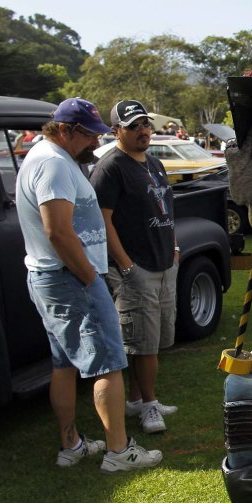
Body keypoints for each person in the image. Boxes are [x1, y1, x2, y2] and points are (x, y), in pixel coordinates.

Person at [15, 97, 163, 472]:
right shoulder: (53, 164)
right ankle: (119, 451)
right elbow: (58, 232)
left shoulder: (48, 156)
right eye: (88, 135)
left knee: (64, 364)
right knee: (108, 364)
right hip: (70, 278)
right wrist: (88, 277)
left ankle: (73, 444)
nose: (95, 143)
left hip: (52, 278)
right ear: (64, 130)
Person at [91, 99, 181, 434]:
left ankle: (137, 399)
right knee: (142, 343)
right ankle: (149, 405)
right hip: (136, 268)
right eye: (133, 126)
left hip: (163, 262)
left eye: (145, 124)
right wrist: (126, 265)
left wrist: (172, 247)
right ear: (116, 131)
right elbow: (103, 222)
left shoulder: (154, 162)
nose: (143, 131)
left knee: (153, 340)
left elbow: (166, 208)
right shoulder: (110, 167)